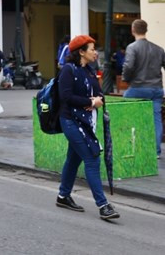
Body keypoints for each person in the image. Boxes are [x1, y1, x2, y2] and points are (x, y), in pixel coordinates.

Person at [55, 35, 120, 220]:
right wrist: (90, 101)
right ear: (81, 52)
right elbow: (65, 97)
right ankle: (103, 206)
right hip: (71, 121)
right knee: (92, 159)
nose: (95, 52)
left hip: (86, 122)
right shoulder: (69, 70)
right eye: (92, 49)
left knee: (73, 159)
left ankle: (63, 196)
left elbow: (99, 94)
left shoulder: (90, 71)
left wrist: (97, 100)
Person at [122, 19, 165, 158]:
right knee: (156, 119)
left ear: (133, 30)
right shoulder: (159, 49)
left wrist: (126, 79)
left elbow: (128, 66)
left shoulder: (132, 47)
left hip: (138, 87)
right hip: (156, 88)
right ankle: (156, 151)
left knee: (122, 109)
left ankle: (129, 144)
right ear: (146, 30)